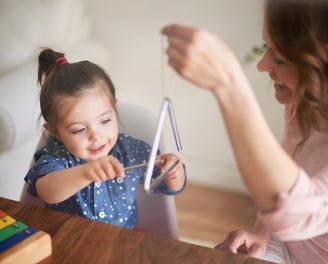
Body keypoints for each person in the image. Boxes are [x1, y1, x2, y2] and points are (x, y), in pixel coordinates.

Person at [162, 0, 328, 263]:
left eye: (280, 58)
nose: (262, 65)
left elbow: (296, 214)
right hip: (289, 246)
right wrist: (263, 233)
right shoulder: (304, 104)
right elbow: (285, 180)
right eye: (266, 48)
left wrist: (228, 82)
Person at [24, 48, 186, 229]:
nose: (96, 135)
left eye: (105, 120)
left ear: (115, 110)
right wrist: (86, 173)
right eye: (79, 130)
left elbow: (168, 186)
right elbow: (47, 191)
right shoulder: (55, 157)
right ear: (54, 131)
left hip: (119, 244)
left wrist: (173, 172)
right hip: (67, 243)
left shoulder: (132, 151)